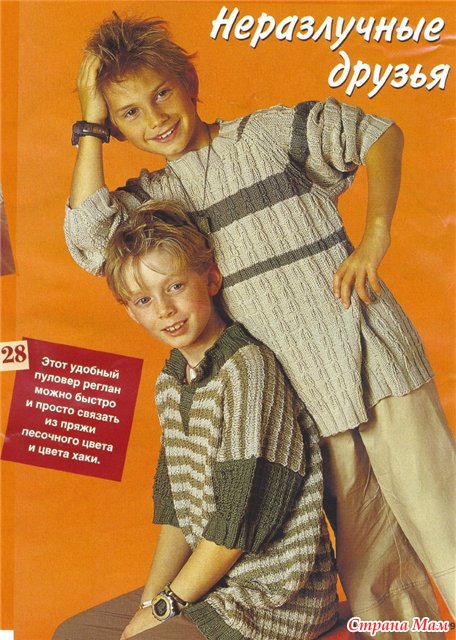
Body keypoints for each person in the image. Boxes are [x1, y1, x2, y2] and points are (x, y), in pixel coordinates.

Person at [65, 13, 456, 632]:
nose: (155, 118)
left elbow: (377, 132)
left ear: (189, 83)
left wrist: (376, 235)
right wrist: (89, 121)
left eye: (162, 93)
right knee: (372, 564)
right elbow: (89, 241)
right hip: (307, 396)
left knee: (444, 523)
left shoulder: (269, 135)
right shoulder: (157, 200)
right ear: (115, 126)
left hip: (373, 355)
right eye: (129, 113)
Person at [53, 200, 338, 640]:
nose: (164, 309)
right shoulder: (171, 382)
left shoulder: (247, 368)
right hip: (210, 588)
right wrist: (150, 604)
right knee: (73, 634)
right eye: (144, 299)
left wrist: (167, 607)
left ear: (211, 279)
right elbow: (176, 510)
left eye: (175, 286)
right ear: (130, 311)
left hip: (275, 599)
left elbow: (240, 520)